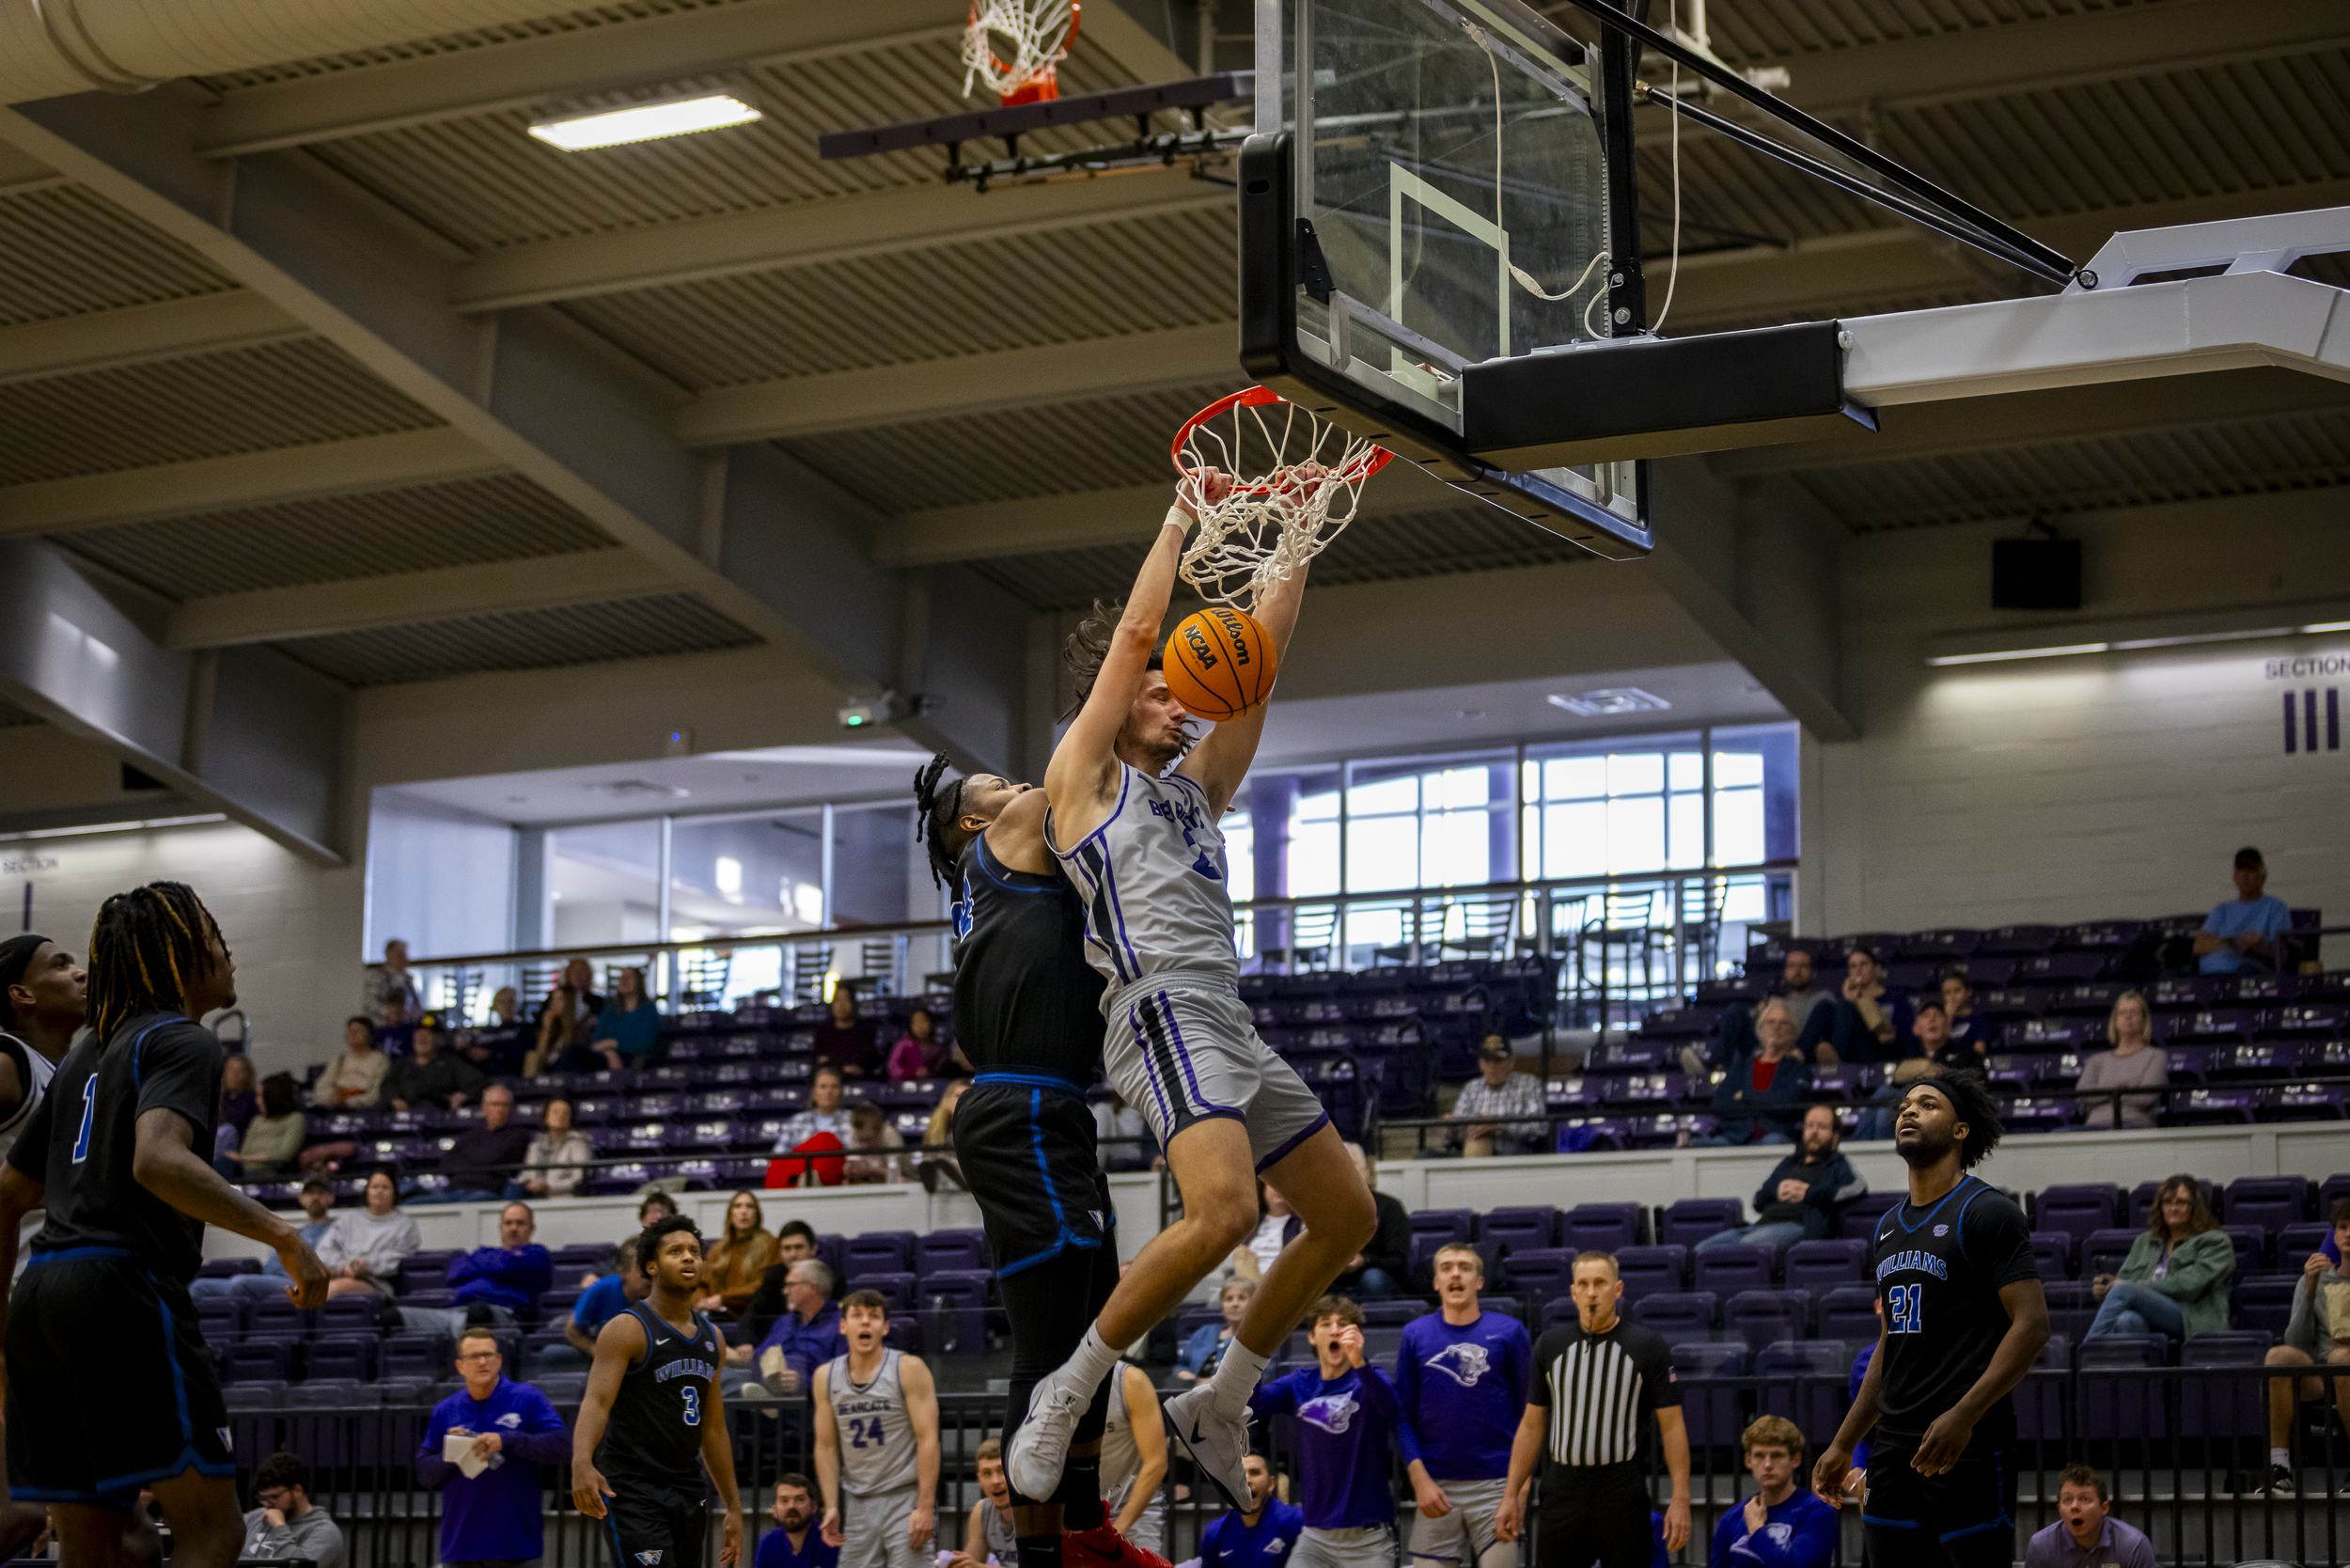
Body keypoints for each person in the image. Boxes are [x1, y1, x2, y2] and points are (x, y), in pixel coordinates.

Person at [1010, 470, 1379, 1513]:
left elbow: (1257, 666)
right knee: (1221, 1214)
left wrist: (1300, 529)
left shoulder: (1194, 790)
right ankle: (1068, 1389)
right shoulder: (1085, 775)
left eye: (1185, 692)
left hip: (1225, 1014)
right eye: (1165, 690)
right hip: (1156, 1004)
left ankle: (1222, 1397)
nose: (1182, 701)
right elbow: (1134, 636)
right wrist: (1184, 514)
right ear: (1122, 698)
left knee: (1346, 1217)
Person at [0, 880, 330, 1568]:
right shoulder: (182, 1039)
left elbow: (8, 1196)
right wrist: (285, 1235)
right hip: (123, 1285)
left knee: (96, 1545)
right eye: (215, 939)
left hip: (40, 1297)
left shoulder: (87, 1050)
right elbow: (159, 1162)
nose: (229, 953)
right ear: (181, 955)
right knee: (216, 1532)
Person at [913, 754, 1154, 1568]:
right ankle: (1044, 1559)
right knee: (1048, 1351)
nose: (1014, 786)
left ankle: (1084, 1528)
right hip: (1020, 1103)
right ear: (975, 822)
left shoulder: (1010, 860)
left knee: (1094, 1331)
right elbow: (1087, 763)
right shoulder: (1011, 836)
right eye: (995, 787)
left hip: (1053, 1104)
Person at [1811, 1072, 2048, 1568]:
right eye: (1903, 1106)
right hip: (1894, 1446)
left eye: (1927, 1104)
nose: (1908, 1111)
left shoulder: (1989, 1212)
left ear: (1961, 1130)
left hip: (1970, 1443)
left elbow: (2031, 1327)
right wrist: (1843, 1442)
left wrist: (1964, 1415)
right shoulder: (1887, 1227)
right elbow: (1889, 1347)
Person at [1496, 1252, 1691, 1568]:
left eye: (1600, 1283)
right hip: (1562, 1490)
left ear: (1618, 1289)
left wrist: (1681, 1497)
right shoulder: (1549, 1345)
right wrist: (1511, 1494)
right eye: (1583, 1284)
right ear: (1573, 1293)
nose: (1591, 1292)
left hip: (1621, 1490)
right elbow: (1532, 1426)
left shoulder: (1647, 1345)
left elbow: (1672, 1426)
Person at [574, 1215, 746, 1568]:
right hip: (633, 1489)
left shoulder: (714, 1338)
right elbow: (597, 1401)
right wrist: (581, 1462)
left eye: (694, 1252)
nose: (688, 1258)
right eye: (675, 1251)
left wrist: (733, 1505)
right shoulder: (626, 1329)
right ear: (651, 1266)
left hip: (687, 1488)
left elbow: (713, 1428)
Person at [1395, 1243, 1531, 1568]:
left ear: (1480, 1282)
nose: (1455, 1273)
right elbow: (1401, 1416)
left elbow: (1533, 1415)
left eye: (1465, 1267)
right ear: (1436, 1283)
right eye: (1446, 1268)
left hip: (1498, 1484)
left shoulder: (1510, 1332)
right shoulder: (1415, 1334)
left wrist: (1520, 1491)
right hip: (1436, 1487)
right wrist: (1420, 1481)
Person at [1248, 1296, 1411, 1568]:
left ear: (1356, 1334)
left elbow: (1391, 1408)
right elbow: (1254, 1404)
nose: (1335, 1330)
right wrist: (1256, 1354)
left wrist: (1361, 1364)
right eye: (1326, 1324)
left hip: (1367, 1538)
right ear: (1312, 1337)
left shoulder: (1371, 1377)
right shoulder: (1299, 1383)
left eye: (1343, 1324)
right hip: (1315, 1537)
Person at [416, 1326, 572, 1568]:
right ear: (460, 1366)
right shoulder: (445, 1410)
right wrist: (452, 1451)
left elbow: (562, 1446)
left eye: (488, 1355)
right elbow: (424, 1474)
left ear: (499, 1360)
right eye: (473, 1356)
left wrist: (507, 1439)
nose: (482, 1361)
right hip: (461, 1547)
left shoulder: (528, 1398)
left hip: (516, 1546)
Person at [814, 1289, 942, 1568]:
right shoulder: (825, 1377)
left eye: (873, 1317)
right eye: (857, 1315)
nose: (865, 1322)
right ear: (843, 1326)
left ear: (884, 1327)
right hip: (858, 1500)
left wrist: (925, 1506)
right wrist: (832, 1504)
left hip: (905, 1497)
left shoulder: (909, 1368)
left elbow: (928, 1438)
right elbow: (825, 1445)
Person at [2263, 1198, 2350, 1495]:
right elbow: (2296, 1341)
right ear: (2334, 1234)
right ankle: (2280, 1466)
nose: (2349, 1233)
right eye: (2343, 1227)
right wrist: (2310, 1288)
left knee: (2342, 1357)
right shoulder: (2315, 1278)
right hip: (2324, 1373)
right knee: (2278, 1355)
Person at [2085, 1172, 2231, 1343]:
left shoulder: (2215, 1241)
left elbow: (2190, 1285)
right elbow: (2124, 1282)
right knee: (2127, 1320)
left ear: (2196, 1207)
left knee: (2124, 1290)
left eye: (2181, 1202)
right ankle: (2132, 1369)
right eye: (2167, 1202)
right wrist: (2107, 1287)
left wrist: (2130, 1287)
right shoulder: (2145, 1241)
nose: (2173, 1208)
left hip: (2190, 1318)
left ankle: (2087, 1353)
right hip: (2148, 1315)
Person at [1699, 1105, 1865, 1253]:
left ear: (1835, 1137)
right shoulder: (1788, 1163)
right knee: (1702, 1250)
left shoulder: (1838, 1164)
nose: (1814, 1132)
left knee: (1747, 1246)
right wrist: (1776, 1192)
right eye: (1810, 1126)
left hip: (1800, 1226)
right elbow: (1758, 1200)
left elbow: (1857, 1188)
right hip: (1760, 1225)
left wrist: (1807, 1193)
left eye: (1822, 1127)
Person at [404, 1200, 552, 1337]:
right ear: (501, 1227)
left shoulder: (537, 1254)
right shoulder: (486, 1253)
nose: (513, 1228)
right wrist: (496, 1266)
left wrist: (479, 1262)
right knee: (394, 1317)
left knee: (478, 1312)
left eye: (520, 1223)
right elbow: (455, 1272)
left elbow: (503, 1266)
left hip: (503, 1315)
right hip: (456, 1311)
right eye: (508, 1223)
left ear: (532, 1228)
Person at [1706, 1418, 1832, 1568]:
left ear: (1796, 1460)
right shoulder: (1731, 1518)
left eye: (1777, 1455)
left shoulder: (1816, 1512)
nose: (1768, 1464)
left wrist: (1757, 1530)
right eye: (1759, 1455)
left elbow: (1796, 1565)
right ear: (1748, 1460)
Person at [194, 1175, 340, 1304]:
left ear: (331, 1197)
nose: (315, 1197)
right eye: (310, 1192)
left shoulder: (336, 1231)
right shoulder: (293, 1232)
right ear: (301, 1198)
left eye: (321, 1192)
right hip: (269, 1280)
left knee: (241, 1283)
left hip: (298, 1283)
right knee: (199, 1287)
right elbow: (270, 1268)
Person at [1690, 949, 1833, 1076]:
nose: (1797, 971)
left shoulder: (1823, 998)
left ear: (1813, 973)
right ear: (1785, 972)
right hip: (1766, 1051)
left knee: (1825, 1008)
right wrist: (1762, 1015)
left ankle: (1795, 1058)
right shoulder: (1775, 1001)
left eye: (1803, 966)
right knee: (1736, 1011)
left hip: (1799, 1053)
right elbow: (1761, 1035)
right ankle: (1717, 1068)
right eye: (1792, 966)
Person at [1698, 1001, 1812, 1147]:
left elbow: (1788, 1104)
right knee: (1696, 1145)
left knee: (1773, 1142)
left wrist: (1743, 1098)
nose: (1776, 1027)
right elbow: (1719, 1103)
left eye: (1783, 1023)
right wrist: (1766, 1100)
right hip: (1736, 1138)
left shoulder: (1798, 1070)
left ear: (1793, 1032)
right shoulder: (1742, 1066)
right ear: (1760, 1028)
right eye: (1770, 1022)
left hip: (1775, 1137)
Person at [1097, 1363, 1170, 1556]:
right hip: (1078, 1512)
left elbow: (1156, 1463)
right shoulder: (1052, 1384)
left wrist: (1116, 1532)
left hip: (1133, 1509)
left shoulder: (1130, 1380)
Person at [542, 1246, 652, 1372]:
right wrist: (594, 1350)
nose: (648, 1276)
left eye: (652, 1269)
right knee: (552, 1354)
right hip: (598, 1358)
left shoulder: (664, 1295)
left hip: (644, 1358)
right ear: (624, 1273)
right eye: (641, 1270)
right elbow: (571, 1329)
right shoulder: (600, 1289)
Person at [2022, 1465, 2154, 1568]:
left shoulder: (2133, 1544)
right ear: (2060, 1510)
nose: (2074, 1506)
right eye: (2067, 1500)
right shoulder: (2041, 1545)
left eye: (2084, 1499)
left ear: (2104, 1508)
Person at [318, 1168, 422, 1297]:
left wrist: (366, 1265)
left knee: (331, 1290)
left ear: (394, 1192)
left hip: (379, 1284)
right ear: (367, 1191)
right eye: (374, 1187)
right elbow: (323, 1251)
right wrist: (343, 1266)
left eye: (385, 1187)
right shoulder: (348, 1219)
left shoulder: (406, 1225)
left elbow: (401, 1259)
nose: (379, 1191)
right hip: (340, 1275)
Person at [752, 1259, 847, 1394]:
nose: (785, 1291)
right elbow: (759, 1357)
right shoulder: (783, 1322)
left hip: (814, 1402)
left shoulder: (841, 1325)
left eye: (790, 1284)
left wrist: (806, 1382)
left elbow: (847, 1376)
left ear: (812, 1288)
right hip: (773, 1398)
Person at [2076, 993, 2167, 1131]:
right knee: (2058, 1135)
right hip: (2094, 1125)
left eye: (2134, 1012)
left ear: (2144, 1020)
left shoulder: (2156, 1056)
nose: (2128, 1016)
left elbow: (2146, 1098)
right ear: (2115, 1020)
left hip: (2133, 1124)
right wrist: (2124, 1089)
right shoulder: (2096, 1060)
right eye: (2122, 1012)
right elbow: (2084, 1096)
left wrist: (2104, 1094)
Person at [239, 1451, 347, 1568]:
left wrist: (279, 1527)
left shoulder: (325, 1532)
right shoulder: (254, 1518)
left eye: (274, 1497)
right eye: (262, 1498)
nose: (267, 1505)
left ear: (297, 1490)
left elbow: (299, 1566)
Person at [2195, 845, 2293, 974]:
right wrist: (2235, 942)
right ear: (2235, 877)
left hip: (2248, 976)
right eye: (2241, 868)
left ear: (2263, 876)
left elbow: (2282, 953)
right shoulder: (2222, 910)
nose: (2245, 874)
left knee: (2246, 970)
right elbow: (2199, 946)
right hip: (2210, 979)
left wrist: (2256, 948)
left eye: (2251, 869)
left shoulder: (2276, 908)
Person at [1198, 1453, 1304, 1568]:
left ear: (1271, 1484)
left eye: (1255, 1473)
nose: (1246, 1480)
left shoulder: (1295, 1521)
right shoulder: (1215, 1532)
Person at [1332, 1144, 1410, 1298]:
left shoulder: (1390, 1207)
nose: (1346, 1171)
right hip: (1336, 1284)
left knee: (1373, 1279)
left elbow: (1398, 1262)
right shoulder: (1323, 1210)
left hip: (1380, 1282)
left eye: (1352, 1164)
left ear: (1367, 1173)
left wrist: (1365, 1260)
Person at [1448, 1039, 1547, 1157]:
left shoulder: (1529, 1084)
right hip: (1474, 1157)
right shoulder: (1470, 1088)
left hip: (1516, 1160)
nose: (1493, 1066)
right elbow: (1456, 1137)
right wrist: (1453, 1128)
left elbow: (1540, 1128)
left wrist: (1501, 1126)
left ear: (1511, 1062)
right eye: (1488, 1060)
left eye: (1498, 1060)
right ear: (1481, 1064)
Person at [437, 1082, 535, 1201]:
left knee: (465, 1205)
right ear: (484, 1108)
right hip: (454, 1190)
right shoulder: (470, 1135)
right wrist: (481, 1161)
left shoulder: (519, 1135)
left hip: (488, 1191)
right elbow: (446, 1164)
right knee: (415, 1203)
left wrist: (468, 1162)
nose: (499, 1109)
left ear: (511, 1109)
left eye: (504, 1105)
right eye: (495, 1104)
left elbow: (492, 1157)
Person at [1824, 948, 1912, 1067]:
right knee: (1825, 1007)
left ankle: (1836, 1067)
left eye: (1864, 964)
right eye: (1853, 966)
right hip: (1853, 1058)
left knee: (1847, 1007)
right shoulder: (1846, 1004)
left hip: (1885, 1054)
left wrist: (1859, 1001)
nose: (1858, 970)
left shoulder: (1896, 998)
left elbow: (1892, 1036)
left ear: (1876, 969)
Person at [702, 1189, 782, 1319]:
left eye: (749, 1206)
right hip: (716, 1316)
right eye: (738, 1206)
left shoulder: (772, 1245)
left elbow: (765, 1285)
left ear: (757, 1214)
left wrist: (723, 1298)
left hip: (757, 1317)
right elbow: (702, 1284)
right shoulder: (717, 1249)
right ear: (731, 1214)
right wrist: (700, 1301)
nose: (743, 1211)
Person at [213, 1071, 307, 1181]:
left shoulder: (295, 1119)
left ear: (272, 1096)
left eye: (259, 1096)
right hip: (245, 1170)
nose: (256, 1101)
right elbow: (245, 1150)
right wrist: (244, 1158)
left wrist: (243, 1158)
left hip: (271, 1173)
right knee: (221, 1162)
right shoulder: (258, 1120)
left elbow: (284, 1154)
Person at [773, 1065, 854, 1186]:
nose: (828, 1091)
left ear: (841, 1092)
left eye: (834, 1087)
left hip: (842, 1181)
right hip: (803, 1184)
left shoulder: (853, 1120)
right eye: (823, 1086)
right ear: (814, 1092)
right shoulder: (796, 1121)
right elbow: (778, 1158)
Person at [384, 1020, 485, 1112]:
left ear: (438, 1039)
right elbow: (387, 1086)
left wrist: (463, 1096)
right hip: (407, 1123)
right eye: (419, 1034)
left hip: (442, 1123)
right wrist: (394, 1100)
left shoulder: (451, 1064)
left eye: (428, 1034)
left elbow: (479, 1083)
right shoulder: (401, 1066)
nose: (422, 1038)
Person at [1178, 1278, 1256, 1383]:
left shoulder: (1258, 1339)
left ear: (1254, 1305)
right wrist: (1194, 1380)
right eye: (1229, 1299)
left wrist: (1210, 1383)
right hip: (1195, 1396)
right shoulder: (1203, 1333)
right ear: (1222, 1307)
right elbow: (1180, 1367)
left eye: (1242, 1298)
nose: (1235, 1304)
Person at [515, 1096, 594, 1200]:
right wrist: (528, 1183)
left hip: (563, 1198)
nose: (560, 1116)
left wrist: (549, 1187)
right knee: (513, 1190)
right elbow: (525, 1174)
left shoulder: (578, 1144)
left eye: (565, 1113)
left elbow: (579, 1180)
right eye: (556, 1112)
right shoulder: (535, 1146)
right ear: (546, 1117)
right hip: (534, 1196)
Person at [588, 965, 664, 1072]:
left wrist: (614, 1043)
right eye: (622, 977)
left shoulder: (648, 1009)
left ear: (639, 982)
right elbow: (598, 1042)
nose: (624, 980)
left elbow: (646, 1043)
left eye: (629, 977)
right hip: (605, 1059)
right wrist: (610, 1052)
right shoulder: (610, 1009)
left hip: (635, 1060)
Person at [958, 1441, 1020, 1568]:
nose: (995, 1481)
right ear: (979, 1480)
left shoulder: (1034, 1510)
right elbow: (970, 1564)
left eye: (1001, 1471)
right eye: (987, 1473)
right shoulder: (982, 1510)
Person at [760, 1474, 839, 1568]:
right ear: (774, 1510)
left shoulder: (830, 1542)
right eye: (784, 1500)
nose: (792, 1506)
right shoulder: (769, 1544)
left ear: (813, 1507)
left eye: (800, 1499)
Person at [314, 1016, 388, 1107]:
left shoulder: (379, 1060)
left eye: (359, 1031)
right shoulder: (340, 1059)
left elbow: (377, 1093)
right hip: (336, 1107)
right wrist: (333, 1097)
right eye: (350, 1031)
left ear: (369, 1035)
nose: (353, 1034)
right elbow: (321, 1087)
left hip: (362, 1109)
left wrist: (348, 1101)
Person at [814, 981, 883, 1079]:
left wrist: (833, 1061)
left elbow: (866, 1062)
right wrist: (842, 1067)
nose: (841, 1005)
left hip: (858, 1082)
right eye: (838, 1000)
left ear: (854, 1004)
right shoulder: (823, 1032)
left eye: (846, 1000)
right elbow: (820, 1061)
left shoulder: (866, 1032)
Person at [1229, 1185, 1294, 1281]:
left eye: (1282, 1183)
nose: (1278, 1189)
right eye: (1272, 1184)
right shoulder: (1251, 1222)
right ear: (1263, 1188)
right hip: (1250, 1281)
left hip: (1283, 1279)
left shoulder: (1302, 1223)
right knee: (1241, 1252)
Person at [919, 1078, 969, 1191]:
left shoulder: (975, 1124)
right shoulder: (935, 1124)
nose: (961, 1101)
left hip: (966, 1170)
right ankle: (932, 1181)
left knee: (945, 1161)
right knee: (929, 1162)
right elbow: (927, 1149)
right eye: (957, 1096)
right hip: (940, 1168)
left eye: (966, 1097)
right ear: (948, 1098)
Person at [843, 1103, 910, 1184]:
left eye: (868, 1140)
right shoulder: (852, 1135)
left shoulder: (890, 1135)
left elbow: (895, 1178)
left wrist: (871, 1171)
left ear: (880, 1131)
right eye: (861, 1140)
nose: (864, 1146)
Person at [1093, 1090, 1152, 1173]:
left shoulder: (1148, 1107)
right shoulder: (1111, 1110)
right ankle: (1092, 1170)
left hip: (1134, 1154)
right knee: (1101, 1109)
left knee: (1101, 1110)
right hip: (1112, 1150)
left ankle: (1092, 1173)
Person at [368, 938, 422, 1027]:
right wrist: (393, 1013)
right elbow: (371, 1003)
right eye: (399, 955)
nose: (404, 959)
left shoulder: (408, 979)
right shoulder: (377, 977)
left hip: (406, 1029)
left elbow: (416, 1005)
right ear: (388, 955)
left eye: (405, 955)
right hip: (383, 1029)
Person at [885, 1009, 948, 1084]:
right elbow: (893, 1069)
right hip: (905, 1089)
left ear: (931, 1023)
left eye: (923, 1021)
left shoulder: (937, 1048)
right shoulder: (904, 1045)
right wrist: (913, 1072)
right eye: (916, 1023)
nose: (920, 1026)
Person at [1940, 972, 1987, 1053]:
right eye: (1947, 992)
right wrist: (1948, 1017)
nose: (1952, 996)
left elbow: (1980, 1050)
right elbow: (1936, 1049)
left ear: (1968, 992)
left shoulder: (1977, 1018)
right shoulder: (1938, 1018)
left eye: (1957, 991)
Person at [215, 1051, 258, 1140]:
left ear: (247, 1075)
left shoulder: (252, 1099)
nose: (233, 1076)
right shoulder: (222, 1098)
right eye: (230, 1071)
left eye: (238, 1071)